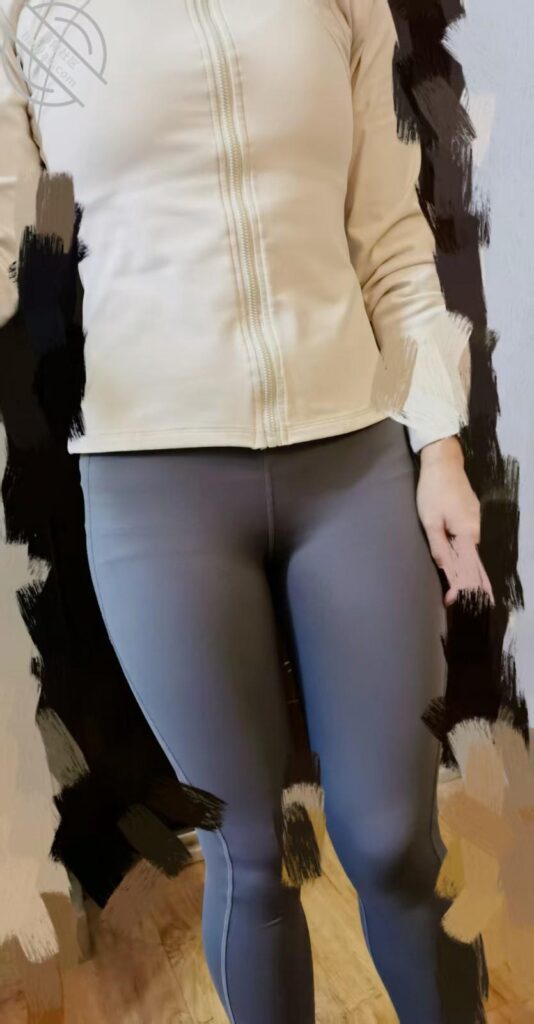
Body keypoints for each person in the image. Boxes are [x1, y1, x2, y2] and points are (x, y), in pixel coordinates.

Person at [0, 0, 491, 1020]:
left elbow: (389, 237)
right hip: (154, 486)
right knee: (249, 850)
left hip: (351, 457)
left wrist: (439, 446)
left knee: (395, 839)